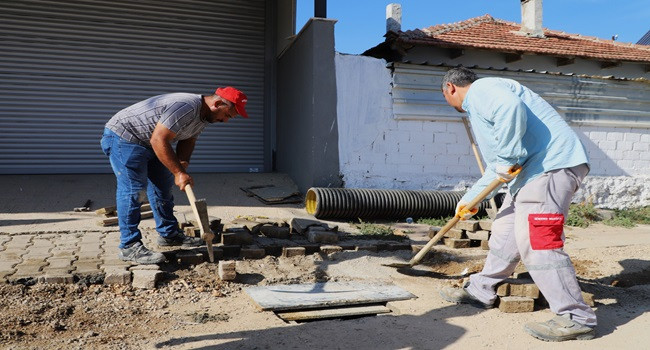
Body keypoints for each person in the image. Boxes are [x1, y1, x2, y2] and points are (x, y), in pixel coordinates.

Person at [437, 67, 596, 342]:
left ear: (451, 88)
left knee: (538, 242)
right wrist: (471, 200)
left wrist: (507, 158)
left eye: (445, 96)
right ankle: (482, 288)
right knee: (505, 232)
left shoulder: (482, 91)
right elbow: (498, 169)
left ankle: (576, 317)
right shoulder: (483, 104)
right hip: (527, 176)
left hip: (549, 169)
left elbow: (508, 126)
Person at [100, 87, 249, 264]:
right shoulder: (185, 106)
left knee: (162, 187)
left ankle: (168, 235)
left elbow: (188, 139)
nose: (225, 121)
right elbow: (158, 139)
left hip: (151, 141)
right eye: (227, 115)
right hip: (125, 138)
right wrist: (178, 173)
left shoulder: (203, 117)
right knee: (134, 190)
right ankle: (129, 246)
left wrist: (182, 165)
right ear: (217, 103)